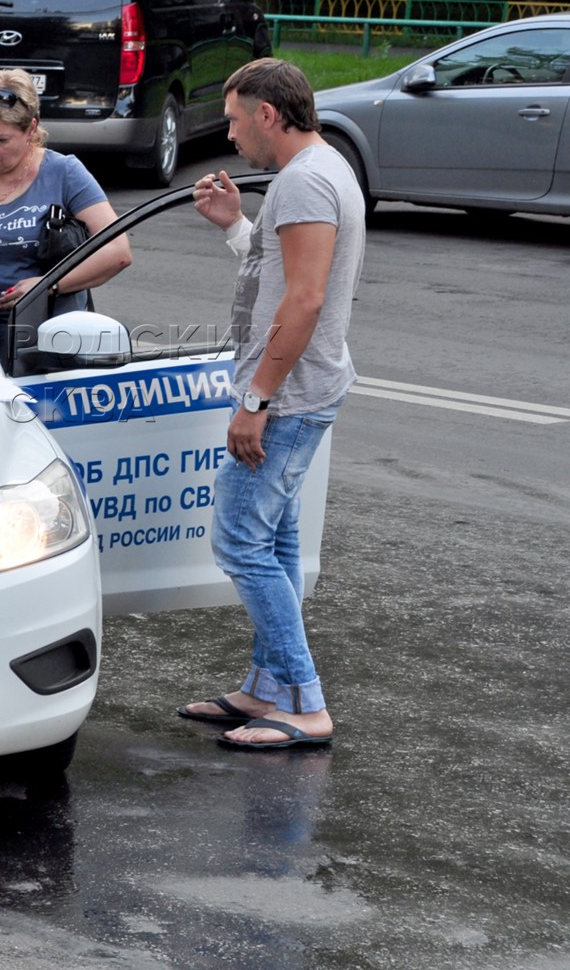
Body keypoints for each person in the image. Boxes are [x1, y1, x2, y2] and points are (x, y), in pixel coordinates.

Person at [178, 58, 366, 750]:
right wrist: (235, 226)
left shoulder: (305, 182)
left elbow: (306, 298)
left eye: (231, 119)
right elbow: (279, 277)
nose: (228, 135)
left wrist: (256, 398)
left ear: (266, 114)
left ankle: (305, 705)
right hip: (300, 389)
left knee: (239, 542)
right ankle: (266, 687)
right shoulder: (316, 173)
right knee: (275, 539)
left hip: (286, 397)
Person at [0, 69, 131, 352]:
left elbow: (117, 252)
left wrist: (47, 285)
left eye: (1, 139)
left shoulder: (65, 173)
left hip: (50, 338)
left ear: (31, 129)